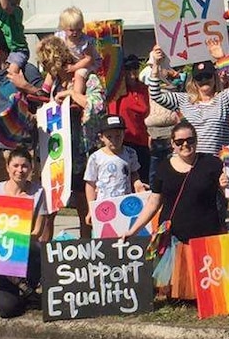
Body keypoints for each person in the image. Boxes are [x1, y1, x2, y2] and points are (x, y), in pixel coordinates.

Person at [125, 121, 228, 300]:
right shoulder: (163, 168)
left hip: (207, 234)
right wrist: (133, 230)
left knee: (209, 292)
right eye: (179, 142)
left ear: (196, 140)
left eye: (190, 140)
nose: (185, 145)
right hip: (175, 237)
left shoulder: (212, 163)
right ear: (172, 144)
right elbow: (153, 203)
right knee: (176, 293)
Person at [37, 35, 104, 239]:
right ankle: (45, 255)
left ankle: (84, 253)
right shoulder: (55, 84)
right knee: (50, 206)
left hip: (83, 150)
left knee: (84, 208)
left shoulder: (88, 78)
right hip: (59, 152)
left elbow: (98, 106)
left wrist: (72, 95)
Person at [0, 147, 51, 318]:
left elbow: (37, 231)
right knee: (7, 310)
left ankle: (26, 287)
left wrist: (15, 239)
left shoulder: (38, 192)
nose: (19, 170)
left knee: (37, 249)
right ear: (7, 167)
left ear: (30, 168)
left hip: (25, 253)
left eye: (24, 166)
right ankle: (23, 293)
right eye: (15, 166)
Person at [0, 28, 44, 185]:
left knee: (24, 199)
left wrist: (26, 86)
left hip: (23, 148)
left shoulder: (26, 70)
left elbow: (46, 98)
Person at [147, 38, 229, 155]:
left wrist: (222, 58)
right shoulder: (184, 100)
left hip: (216, 163)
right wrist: (156, 66)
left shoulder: (224, 99)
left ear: (214, 77)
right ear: (193, 82)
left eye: (207, 76)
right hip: (188, 162)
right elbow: (155, 94)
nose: (204, 80)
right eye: (199, 77)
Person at [83, 114, 147, 222]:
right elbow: (90, 184)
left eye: (118, 136)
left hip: (125, 203)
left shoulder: (130, 153)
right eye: (109, 137)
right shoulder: (95, 158)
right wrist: (91, 208)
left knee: (125, 231)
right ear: (101, 137)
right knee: (106, 234)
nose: (114, 140)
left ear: (123, 134)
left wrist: (137, 184)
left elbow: (134, 173)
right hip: (103, 204)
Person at [108, 55, 151, 182]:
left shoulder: (143, 88)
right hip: (122, 141)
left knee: (143, 181)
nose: (132, 72)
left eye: (135, 68)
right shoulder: (115, 90)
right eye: (128, 69)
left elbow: (145, 111)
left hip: (141, 141)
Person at [140, 54, 181, 186]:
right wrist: (156, 64)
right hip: (153, 131)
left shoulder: (176, 82)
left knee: (173, 167)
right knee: (155, 170)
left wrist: (172, 73)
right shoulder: (147, 78)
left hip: (172, 130)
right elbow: (146, 75)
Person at [54, 6, 101, 97]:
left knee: (79, 73)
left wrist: (74, 67)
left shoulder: (84, 41)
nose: (75, 33)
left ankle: (76, 96)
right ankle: (45, 89)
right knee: (55, 67)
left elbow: (89, 59)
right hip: (72, 61)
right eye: (71, 30)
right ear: (63, 28)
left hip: (87, 64)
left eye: (79, 30)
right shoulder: (60, 37)